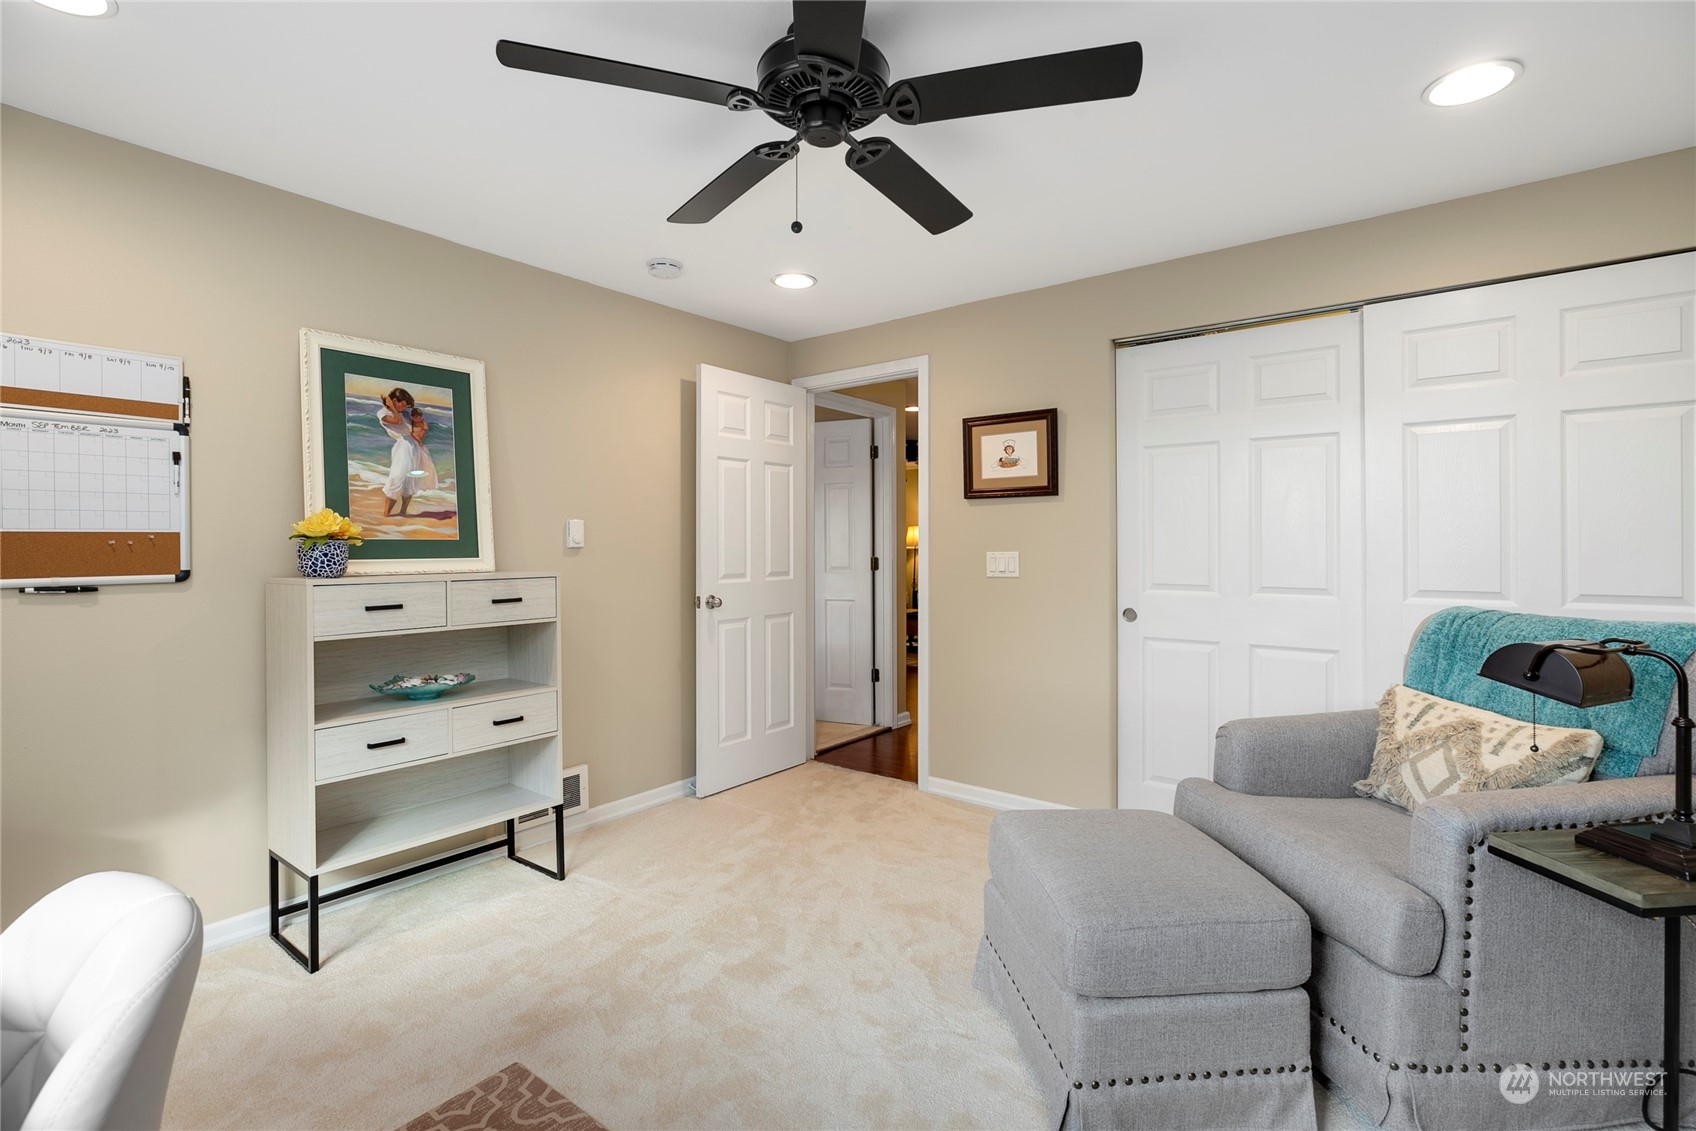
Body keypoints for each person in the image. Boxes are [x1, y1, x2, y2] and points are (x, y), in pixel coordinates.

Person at [378, 387, 437, 517]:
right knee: (396, 478)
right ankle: (386, 514)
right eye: (403, 405)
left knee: (410, 480)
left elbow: (414, 424)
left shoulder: (403, 412)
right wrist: (392, 407)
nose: (404, 409)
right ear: (394, 401)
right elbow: (398, 421)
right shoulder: (383, 414)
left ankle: (403, 511)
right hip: (403, 448)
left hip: (414, 448)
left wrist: (421, 428)